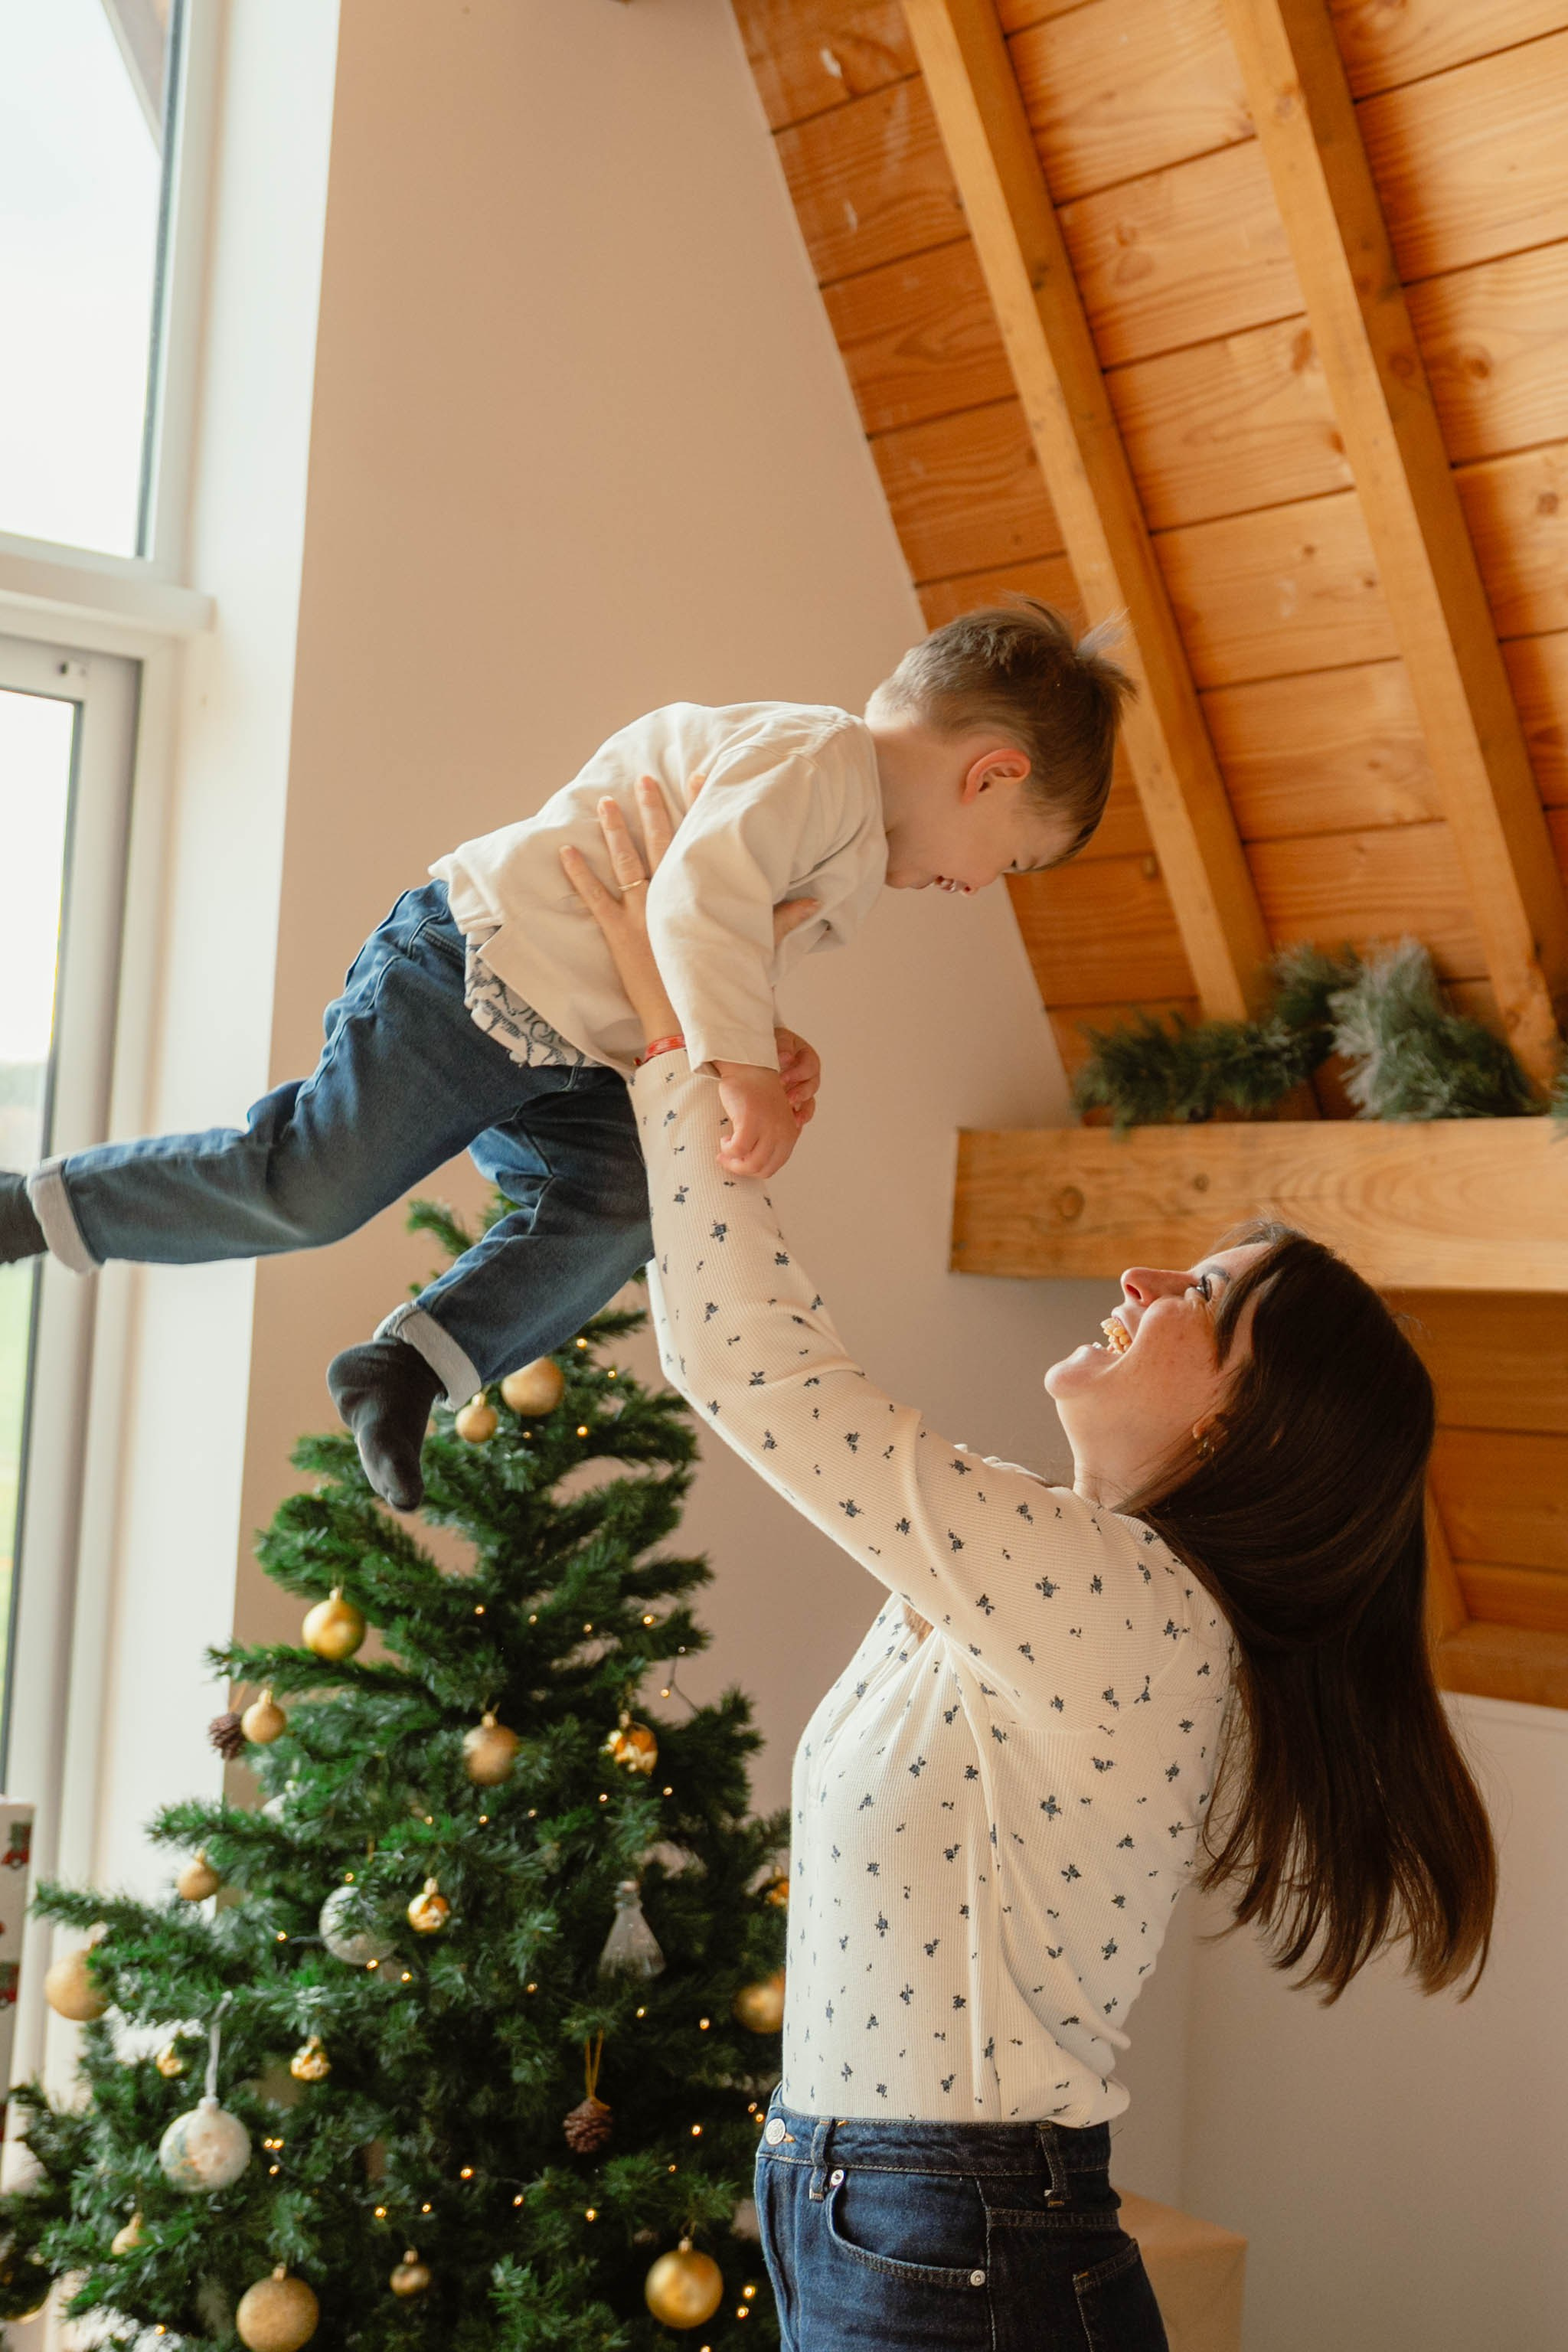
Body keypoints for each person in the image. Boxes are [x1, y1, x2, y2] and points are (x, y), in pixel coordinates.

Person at [563, 786, 1498, 2352]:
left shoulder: (1125, 1607)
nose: (1139, 1278)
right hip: (891, 2219)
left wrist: (684, 1039)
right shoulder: (1051, 1587)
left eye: (1203, 1295)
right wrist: (709, 1048)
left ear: (1247, 1426)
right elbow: (761, 1361)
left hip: (949, 2239)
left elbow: (757, 1372)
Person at [0, 601, 1131, 1515]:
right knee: (307, 1188)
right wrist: (743, 1070)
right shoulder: (821, 762)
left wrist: (762, 1035)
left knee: (629, 1199)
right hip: (471, 977)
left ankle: (412, 1365)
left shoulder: (837, 830)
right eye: (1013, 863)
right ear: (993, 773)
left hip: (572, 1047)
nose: (978, 889)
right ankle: (36, 1208)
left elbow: (703, 942)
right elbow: (691, 906)